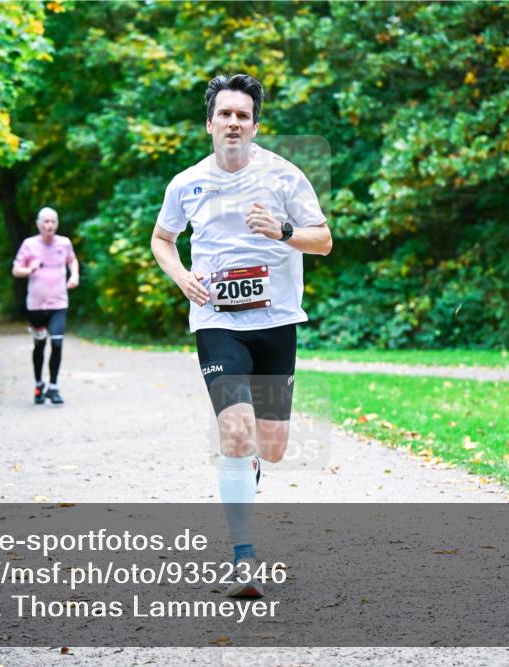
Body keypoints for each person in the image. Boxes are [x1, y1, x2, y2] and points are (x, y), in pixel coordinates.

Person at [150, 74, 332, 598]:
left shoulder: (284, 176)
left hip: (275, 323)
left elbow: (323, 242)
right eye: (225, 114)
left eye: (242, 115)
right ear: (209, 123)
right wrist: (182, 276)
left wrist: (281, 232)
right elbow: (163, 240)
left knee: (270, 448)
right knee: (234, 432)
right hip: (217, 322)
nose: (233, 122)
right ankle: (243, 556)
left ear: (254, 125)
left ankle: (249, 463)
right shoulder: (186, 183)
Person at [12, 207, 80, 405]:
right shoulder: (29, 244)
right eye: (46, 222)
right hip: (36, 305)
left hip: (59, 302)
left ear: (57, 224)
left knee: (57, 343)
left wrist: (74, 275)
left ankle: (54, 387)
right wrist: (28, 270)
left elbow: (72, 260)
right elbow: (16, 270)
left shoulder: (64, 243)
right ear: (38, 224)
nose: (49, 225)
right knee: (40, 345)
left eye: (53, 221)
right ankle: (38, 384)